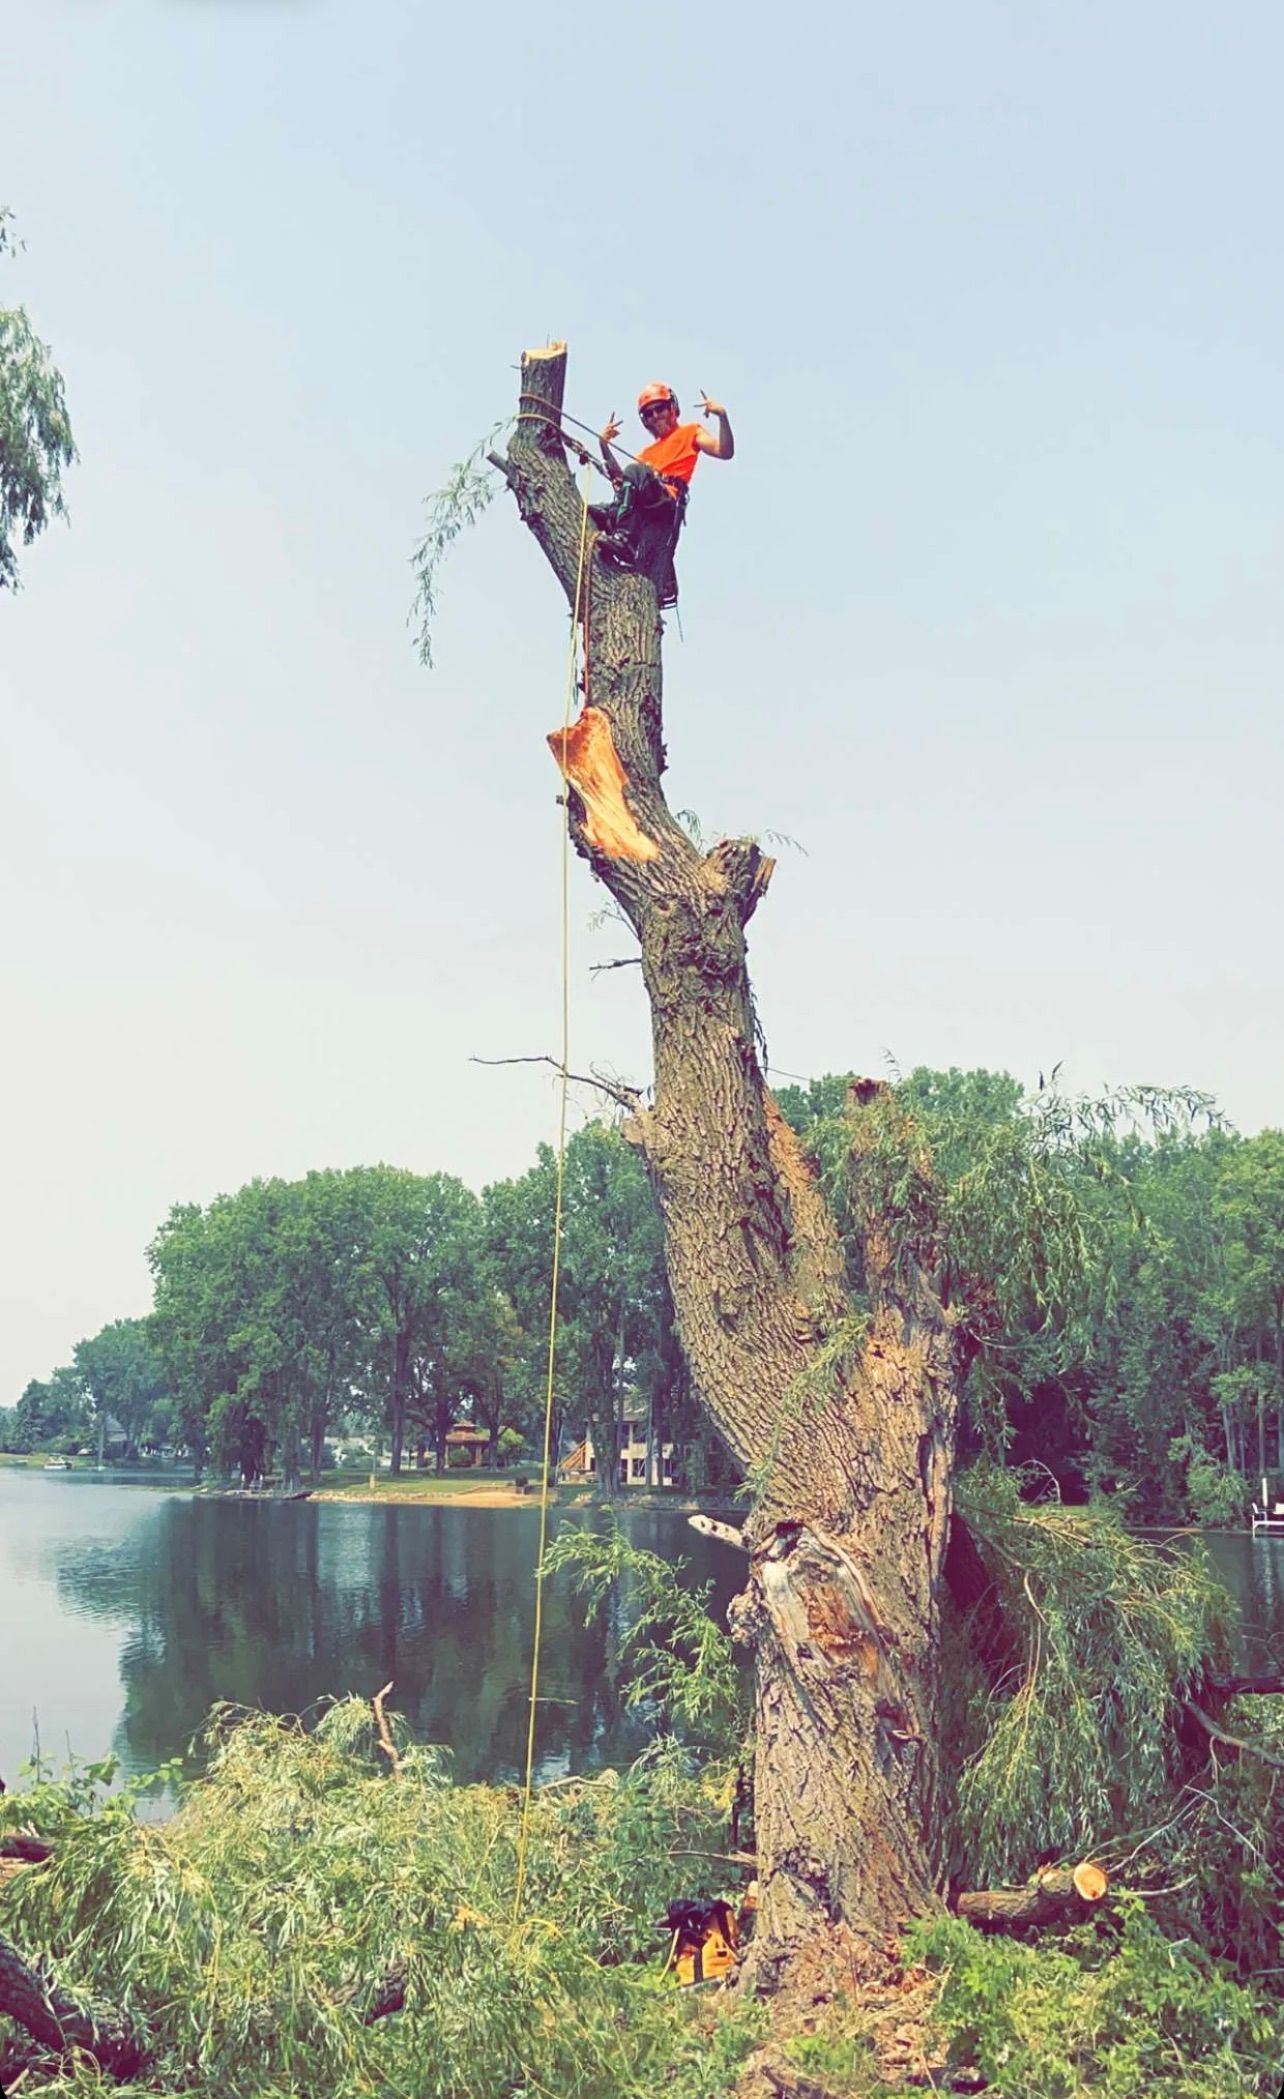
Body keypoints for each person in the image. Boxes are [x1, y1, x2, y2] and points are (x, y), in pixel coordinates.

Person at [591, 384, 735, 606]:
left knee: (635, 471)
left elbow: (724, 451)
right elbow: (622, 482)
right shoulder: (646, 455)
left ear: (672, 407)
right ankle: (617, 536)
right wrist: (604, 446)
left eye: (659, 408)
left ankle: (624, 539)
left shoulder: (690, 432)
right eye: (649, 413)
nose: (655, 415)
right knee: (598, 510)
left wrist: (722, 416)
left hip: (666, 499)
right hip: (645, 504)